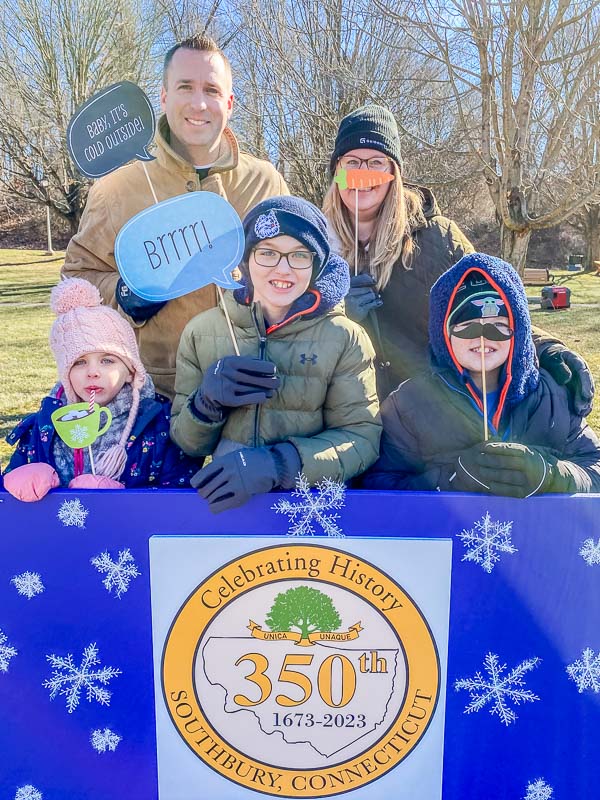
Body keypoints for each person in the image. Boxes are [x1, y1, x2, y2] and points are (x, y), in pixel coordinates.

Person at [323, 104, 594, 414]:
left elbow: (495, 301)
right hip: (348, 420)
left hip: (428, 418)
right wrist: (334, 316)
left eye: (375, 162)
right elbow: (287, 337)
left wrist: (548, 349)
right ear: (338, 171)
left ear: (393, 173)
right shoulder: (314, 245)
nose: (363, 173)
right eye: (352, 162)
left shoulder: (438, 238)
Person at [62, 33, 288, 399]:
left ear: (229, 102)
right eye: (185, 87)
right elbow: (76, 277)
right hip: (156, 396)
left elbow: (301, 263)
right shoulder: (116, 187)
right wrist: (122, 293)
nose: (198, 103)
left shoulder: (266, 182)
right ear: (165, 97)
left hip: (252, 387)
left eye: (212, 90)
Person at [169, 196, 381, 513]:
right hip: (230, 509)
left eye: (298, 256)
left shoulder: (345, 337)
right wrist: (206, 404)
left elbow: (361, 438)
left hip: (312, 512)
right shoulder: (203, 332)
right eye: (267, 253)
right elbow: (187, 442)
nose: (283, 269)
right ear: (246, 260)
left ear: (316, 264)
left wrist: (280, 464)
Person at [362, 253, 600, 496]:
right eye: (467, 327)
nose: (483, 338)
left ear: (518, 333)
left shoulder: (553, 397)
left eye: (498, 326)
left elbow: (595, 469)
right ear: (444, 335)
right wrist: (451, 479)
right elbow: (377, 485)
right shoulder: (408, 404)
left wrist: (551, 476)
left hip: (535, 531)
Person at [3, 279, 199, 502]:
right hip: (57, 536)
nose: (92, 372)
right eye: (79, 363)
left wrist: (118, 498)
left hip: (127, 535)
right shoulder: (44, 425)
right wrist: (19, 478)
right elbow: (9, 501)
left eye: (107, 361)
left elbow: (181, 493)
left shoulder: (157, 425)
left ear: (130, 370)